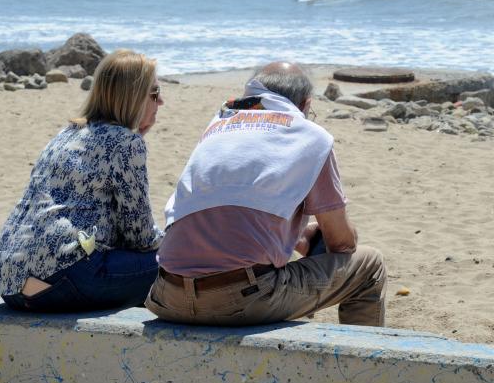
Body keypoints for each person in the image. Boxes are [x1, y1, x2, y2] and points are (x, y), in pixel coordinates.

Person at [145, 62, 387, 327]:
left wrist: (294, 235)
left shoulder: (218, 127)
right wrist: (333, 236)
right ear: (305, 105)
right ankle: (355, 365)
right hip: (240, 300)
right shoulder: (311, 138)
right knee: (369, 265)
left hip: (167, 295)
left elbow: (230, 218)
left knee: (285, 260)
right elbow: (342, 244)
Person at [0, 50, 166, 312]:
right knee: (178, 264)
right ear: (133, 97)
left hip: (10, 282)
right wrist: (171, 241)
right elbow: (139, 235)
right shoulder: (126, 142)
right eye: (154, 93)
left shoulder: (65, 135)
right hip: (64, 278)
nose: (160, 101)